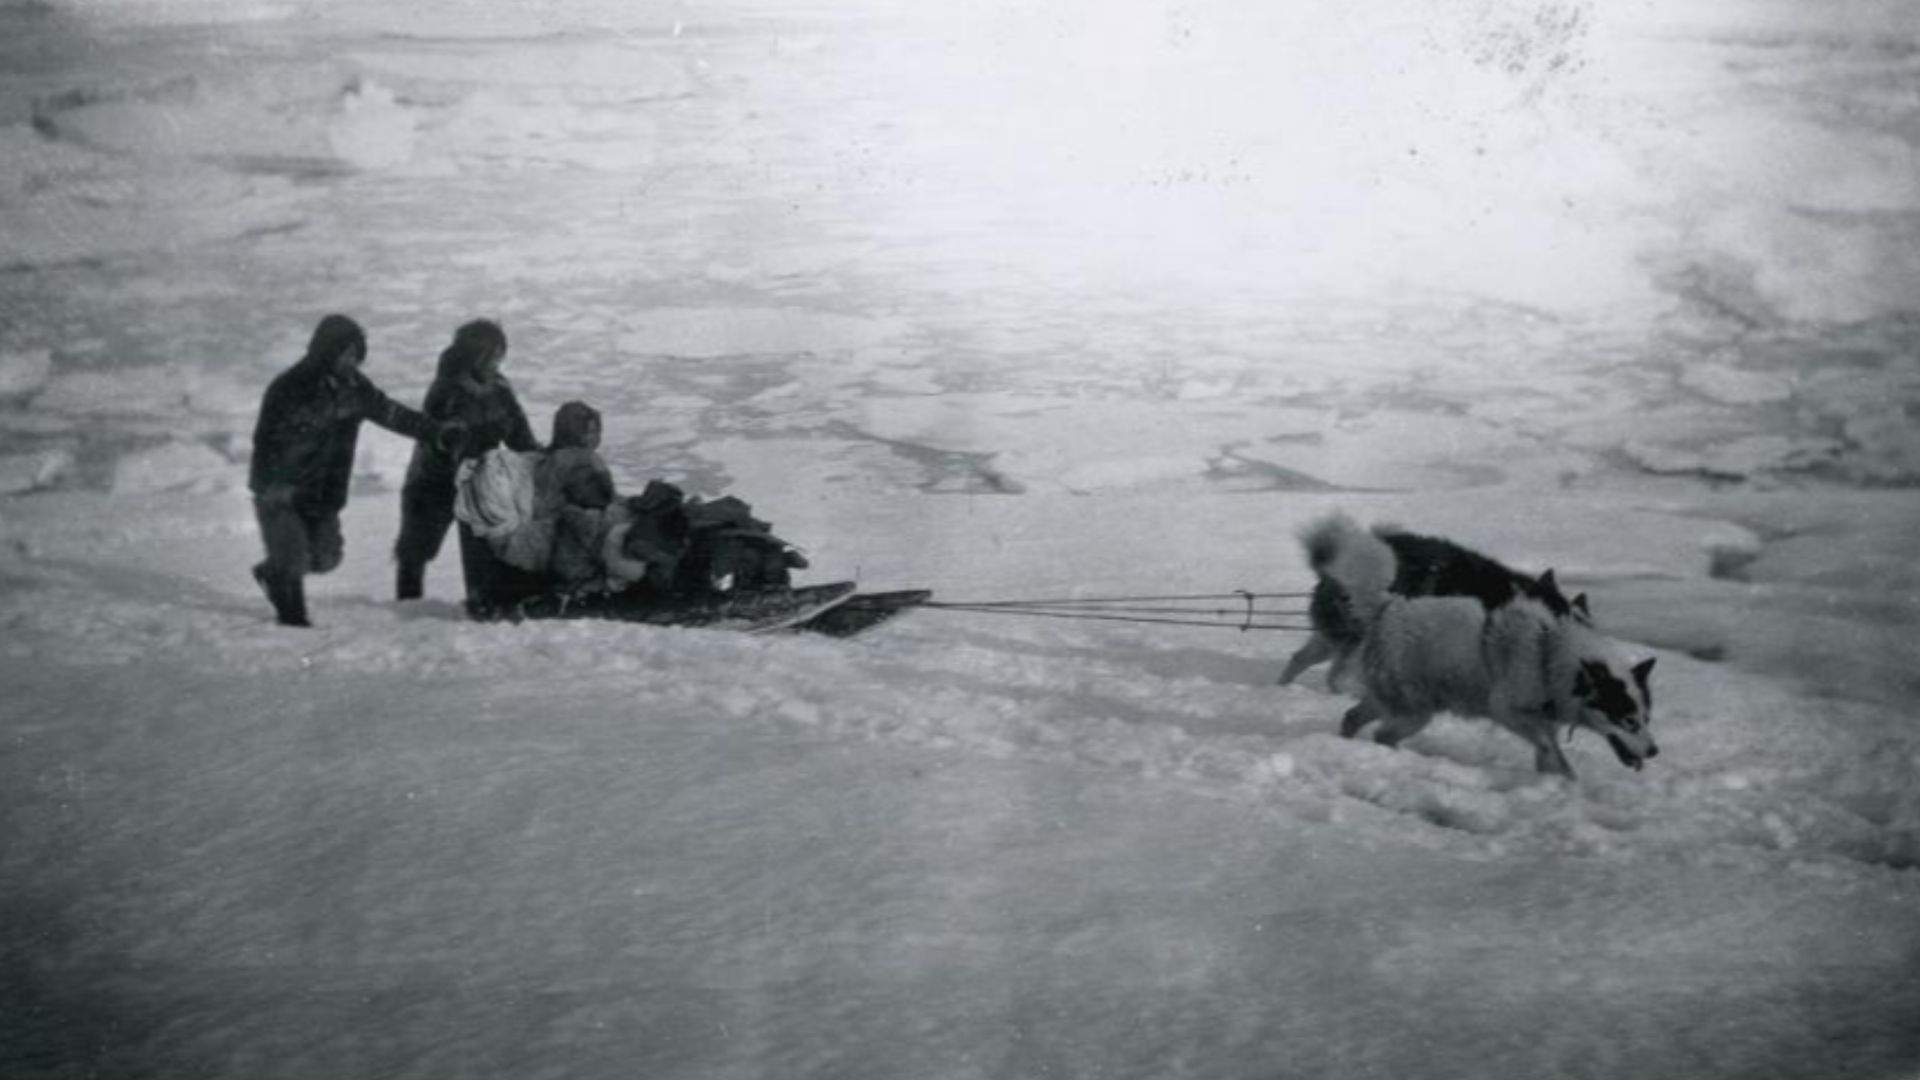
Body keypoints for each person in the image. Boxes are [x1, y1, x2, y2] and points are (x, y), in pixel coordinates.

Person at [249, 314, 458, 627]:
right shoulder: (289, 387)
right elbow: (265, 440)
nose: (351, 361)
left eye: (355, 355)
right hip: (283, 489)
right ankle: (294, 625)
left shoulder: (355, 387)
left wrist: (437, 432)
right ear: (325, 350)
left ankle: (271, 573)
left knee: (325, 559)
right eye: (345, 354)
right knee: (293, 559)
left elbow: (391, 413)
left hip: (322, 491)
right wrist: (272, 485)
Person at [392, 319, 540, 612]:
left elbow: (518, 434)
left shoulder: (499, 388)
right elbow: (444, 439)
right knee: (416, 550)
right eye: (493, 354)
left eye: (501, 353)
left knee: (482, 546)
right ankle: (406, 609)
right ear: (475, 354)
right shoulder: (446, 390)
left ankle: (482, 602)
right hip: (433, 481)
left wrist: (540, 457)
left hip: (479, 481)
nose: (498, 361)